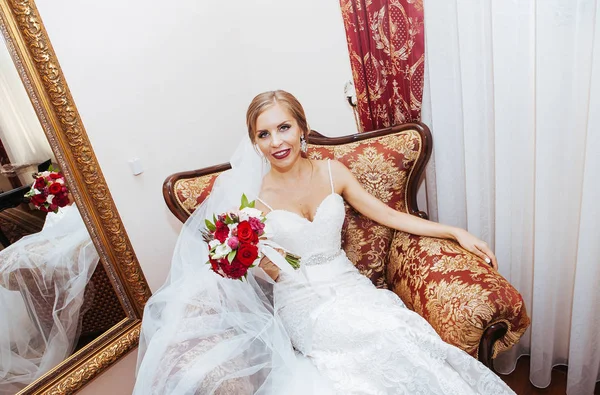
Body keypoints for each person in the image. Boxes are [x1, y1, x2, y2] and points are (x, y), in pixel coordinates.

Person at [134, 90, 515, 394]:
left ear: (302, 128)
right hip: (301, 303)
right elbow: (261, 270)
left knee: (400, 332)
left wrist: (455, 232)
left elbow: (392, 216)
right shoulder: (251, 200)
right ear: (254, 143)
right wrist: (257, 263)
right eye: (263, 134)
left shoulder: (333, 173)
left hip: (350, 287)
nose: (276, 142)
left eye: (283, 128)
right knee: (376, 339)